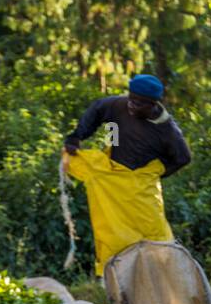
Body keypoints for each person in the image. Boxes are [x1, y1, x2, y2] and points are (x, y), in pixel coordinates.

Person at [62, 74, 192, 275]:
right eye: (130, 98)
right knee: (112, 232)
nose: (131, 105)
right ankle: (117, 275)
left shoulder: (167, 131)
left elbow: (183, 158)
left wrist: (152, 174)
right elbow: (97, 109)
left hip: (142, 187)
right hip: (113, 172)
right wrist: (77, 136)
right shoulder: (119, 106)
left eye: (138, 103)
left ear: (153, 105)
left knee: (155, 235)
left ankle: (162, 274)